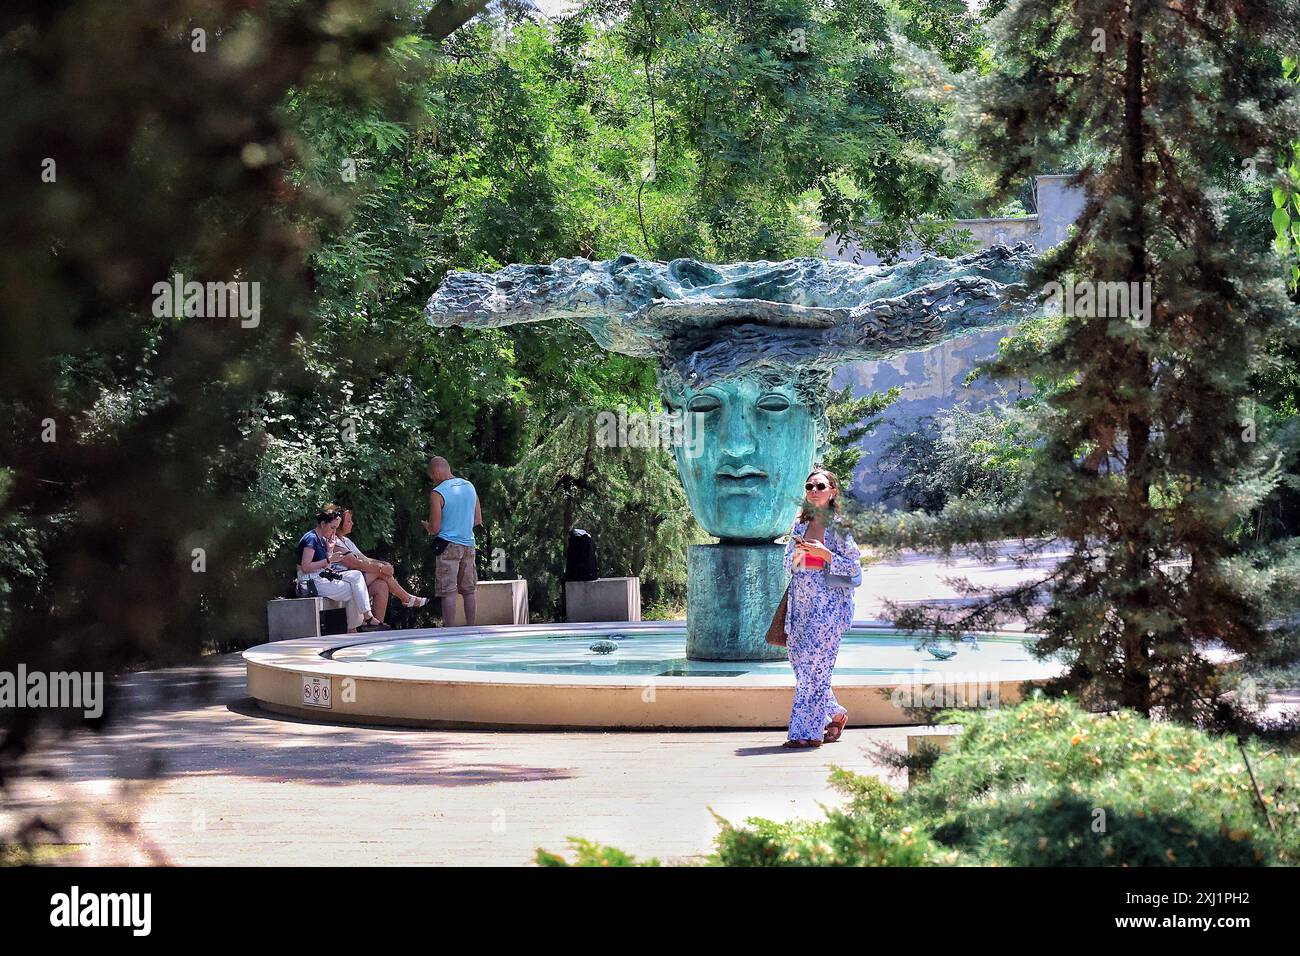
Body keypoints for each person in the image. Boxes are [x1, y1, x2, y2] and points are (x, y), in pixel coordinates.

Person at [781, 467, 862, 748]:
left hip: (829, 609)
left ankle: (806, 733)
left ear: (832, 493)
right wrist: (798, 555)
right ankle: (837, 714)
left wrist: (824, 554)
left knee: (816, 671)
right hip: (799, 609)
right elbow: (786, 565)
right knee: (804, 671)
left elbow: (853, 567)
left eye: (820, 486)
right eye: (809, 486)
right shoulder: (799, 526)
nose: (813, 491)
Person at [296, 505, 387, 633]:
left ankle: (366, 618)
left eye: (336, 529)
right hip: (310, 582)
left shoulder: (322, 539)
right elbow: (305, 567)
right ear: (322, 524)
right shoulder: (311, 539)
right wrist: (329, 559)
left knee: (356, 575)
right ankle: (354, 628)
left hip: (321, 577)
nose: (334, 532)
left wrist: (330, 550)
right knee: (354, 590)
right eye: (332, 528)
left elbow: (326, 566)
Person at [330, 507, 428, 624]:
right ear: (340, 524)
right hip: (343, 581)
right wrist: (382, 568)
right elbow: (357, 565)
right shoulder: (334, 542)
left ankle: (376, 625)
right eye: (349, 521)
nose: (352, 523)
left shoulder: (347, 541)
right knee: (380, 572)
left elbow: (365, 559)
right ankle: (406, 598)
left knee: (381, 585)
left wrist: (382, 563)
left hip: (356, 580)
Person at [421, 456, 481, 627]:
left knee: (448, 592)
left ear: (436, 472)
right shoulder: (470, 487)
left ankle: (450, 632)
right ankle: (471, 628)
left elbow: (435, 528)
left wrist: (427, 526)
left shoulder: (437, 493)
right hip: (469, 544)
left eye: (432, 475)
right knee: (469, 591)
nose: (433, 479)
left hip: (448, 546)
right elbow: (477, 519)